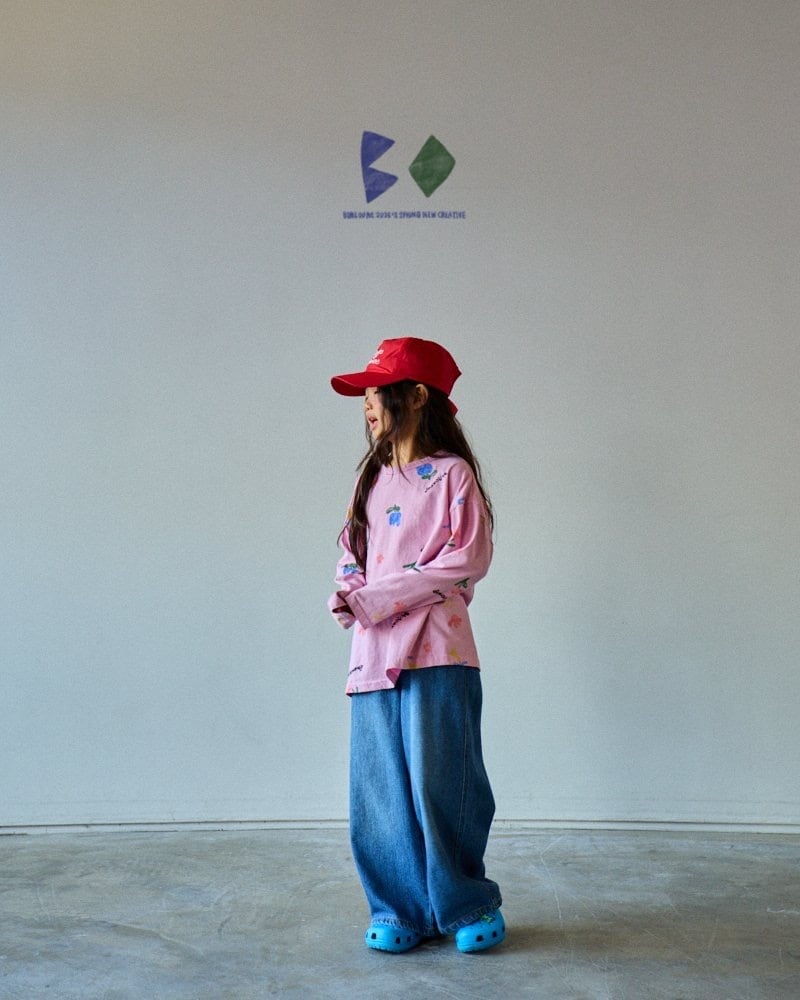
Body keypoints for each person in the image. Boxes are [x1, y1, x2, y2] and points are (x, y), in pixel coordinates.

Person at [327, 336, 505, 955]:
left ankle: (466, 904)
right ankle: (398, 909)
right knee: (380, 792)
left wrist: (379, 597)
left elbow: (467, 559)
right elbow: (350, 555)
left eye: (376, 391)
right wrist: (348, 593)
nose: (366, 405)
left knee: (445, 781)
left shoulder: (453, 476)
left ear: (418, 395)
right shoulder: (370, 480)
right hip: (373, 658)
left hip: (439, 654)